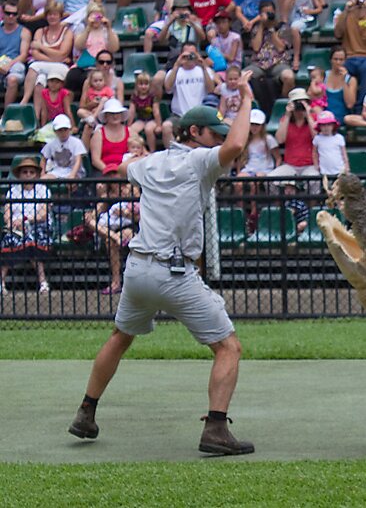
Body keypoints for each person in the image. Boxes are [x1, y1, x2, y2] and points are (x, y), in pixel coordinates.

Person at [69, 79, 255, 455]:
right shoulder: (200, 161)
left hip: (138, 270)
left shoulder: (150, 163)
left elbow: (123, 168)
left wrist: (138, 155)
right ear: (193, 132)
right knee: (228, 347)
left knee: (120, 338)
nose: (217, 140)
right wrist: (247, 98)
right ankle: (216, 429)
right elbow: (236, 146)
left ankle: (86, 412)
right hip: (174, 272)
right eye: (211, 133)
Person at [1, 155, 53, 294]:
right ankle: (1, 283)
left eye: (31, 172)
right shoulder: (13, 191)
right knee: (8, 240)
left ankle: (43, 281)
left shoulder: (43, 190)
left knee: (31, 239)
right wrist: (11, 223)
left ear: (36, 174)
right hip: (16, 228)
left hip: (38, 226)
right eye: (25, 172)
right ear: (19, 175)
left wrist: (24, 220)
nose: (28, 175)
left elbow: (42, 215)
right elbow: (7, 213)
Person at [270, 88, 319, 179]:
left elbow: (317, 138)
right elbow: (280, 140)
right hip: (290, 165)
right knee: (271, 179)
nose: (299, 106)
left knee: (314, 180)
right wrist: (288, 115)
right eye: (297, 102)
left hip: (310, 165)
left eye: (302, 102)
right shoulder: (285, 120)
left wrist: (308, 115)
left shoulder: (313, 118)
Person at [0, 0, 30, 103]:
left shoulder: (24, 32)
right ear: (3, 13)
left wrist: (8, 65)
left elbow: (23, 55)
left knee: (12, 79)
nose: (11, 16)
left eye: (14, 14)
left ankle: (6, 115)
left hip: (15, 63)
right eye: (8, 13)